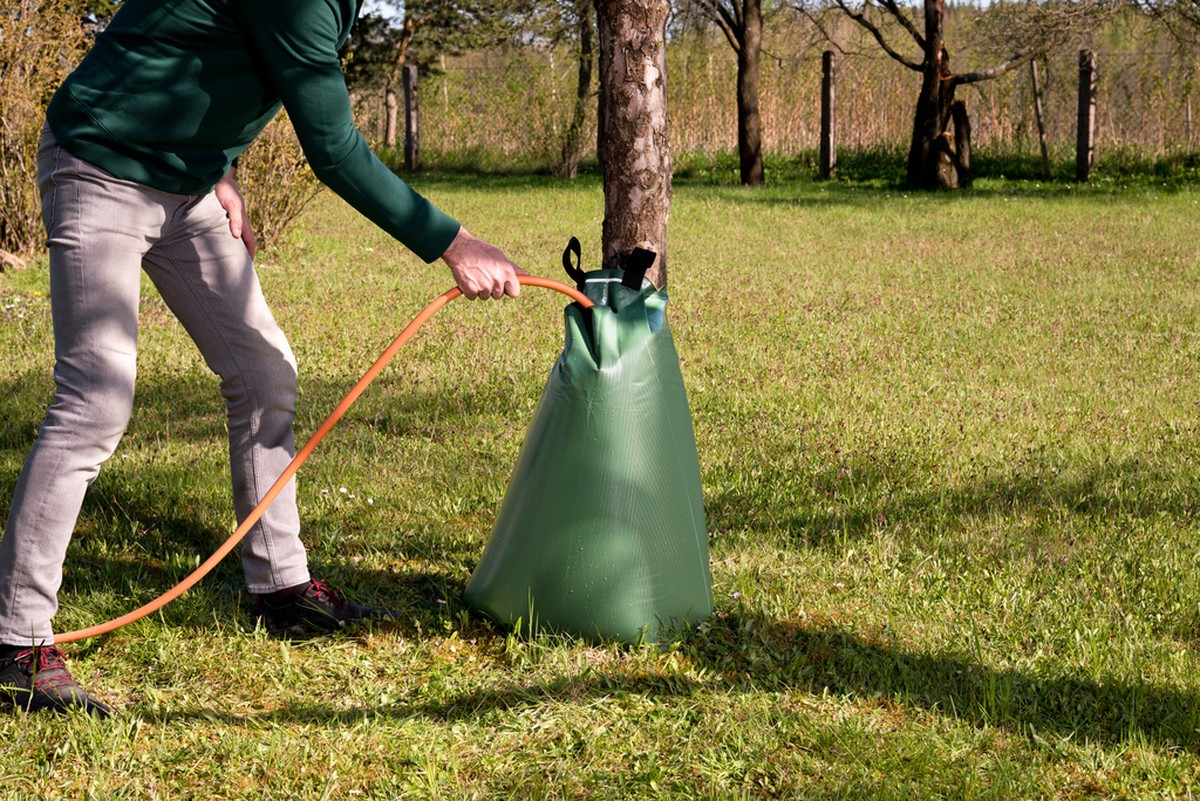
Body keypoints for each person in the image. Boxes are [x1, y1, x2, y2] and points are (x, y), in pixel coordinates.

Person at [0, 0, 526, 717]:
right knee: (97, 396)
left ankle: (280, 587)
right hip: (101, 160)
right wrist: (454, 242)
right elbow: (334, 148)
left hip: (185, 186)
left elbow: (212, 51)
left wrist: (222, 166)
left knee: (264, 372)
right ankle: (16, 640)